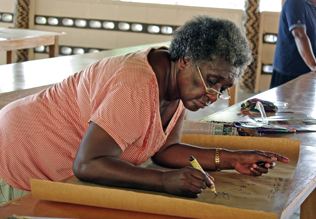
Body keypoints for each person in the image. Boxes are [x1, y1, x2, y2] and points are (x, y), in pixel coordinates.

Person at [0, 15, 289, 201]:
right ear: (186, 60)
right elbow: (89, 163)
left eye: (223, 89)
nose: (213, 96)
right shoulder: (136, 85)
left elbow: (164, 150)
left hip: (56, 169)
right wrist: (164, 181)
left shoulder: (177, 86)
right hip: (17, 157)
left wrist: (231, 159)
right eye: (212, 81)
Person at [270, 0, 316, 88]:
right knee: (286, 101)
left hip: (307, 69)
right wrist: (313, 65)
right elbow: (299, 35)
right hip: (290, 71)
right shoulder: (294, 2)